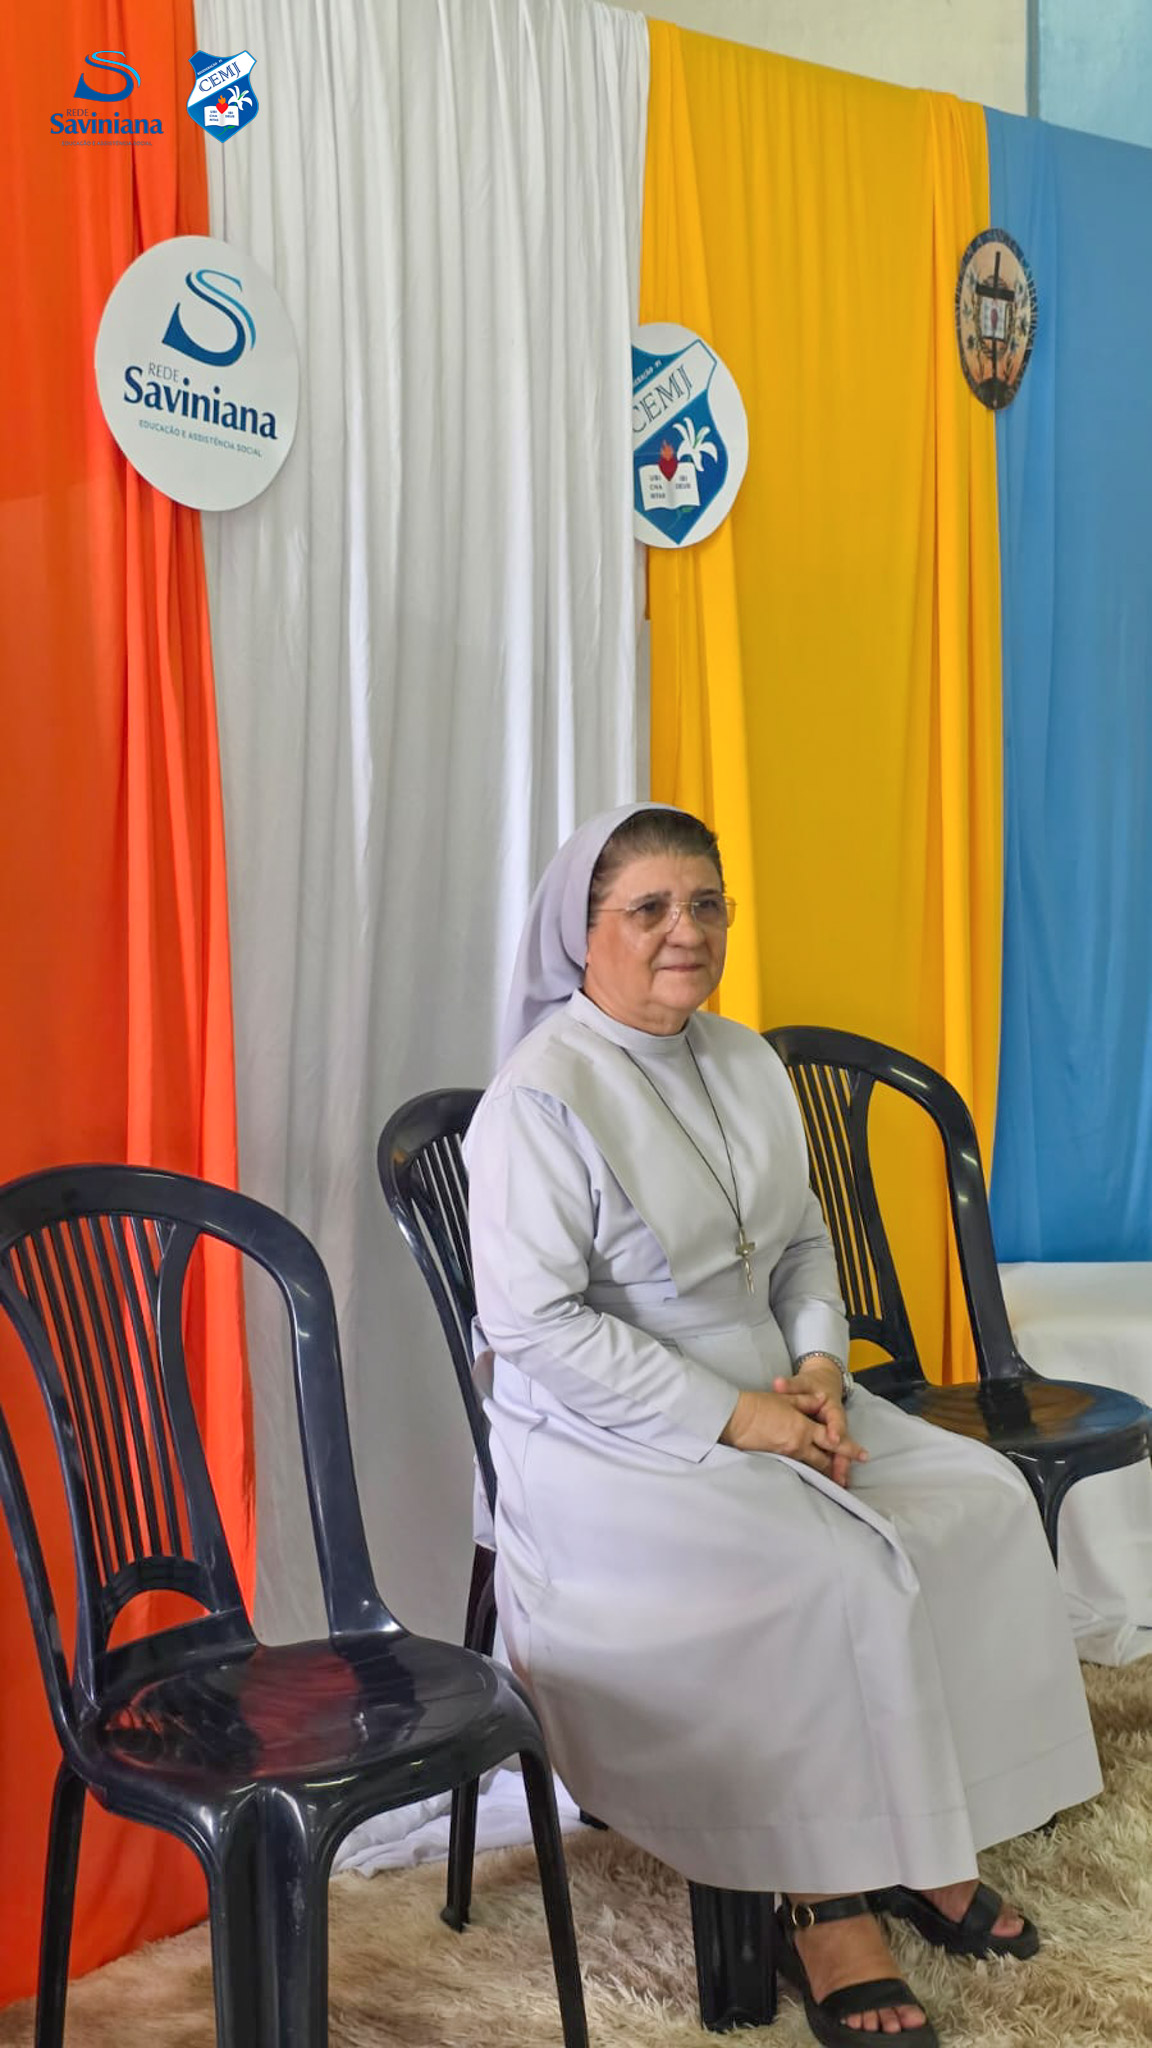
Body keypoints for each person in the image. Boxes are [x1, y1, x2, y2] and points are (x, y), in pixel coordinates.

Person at [465, 804, 1101, 2047]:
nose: (685, 930)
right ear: (583, 929)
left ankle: (926, 1837)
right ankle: (821, 1899)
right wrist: (736, 1414)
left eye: (705, 903)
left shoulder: (744, 1056)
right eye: (650, 907)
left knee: (981, 1502)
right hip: (612, 1435)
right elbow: (537, 1328)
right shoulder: (539, 1096)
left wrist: (815, 1364)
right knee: (827, 1570)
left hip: (782, 1386)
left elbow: (804, 1240)